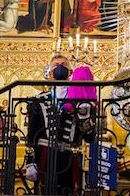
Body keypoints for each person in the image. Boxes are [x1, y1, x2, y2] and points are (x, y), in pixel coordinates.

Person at [25, 57, 77, 195]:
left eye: (64, 65)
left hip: (68, 155)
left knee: (68, 191)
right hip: (45, 154)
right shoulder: (38, 100)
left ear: (71, 72)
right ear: (49, 73)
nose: (60, 67)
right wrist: (30, 161)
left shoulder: (78, 100)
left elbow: (86, 134)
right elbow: (31, 133)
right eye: (56, 65)